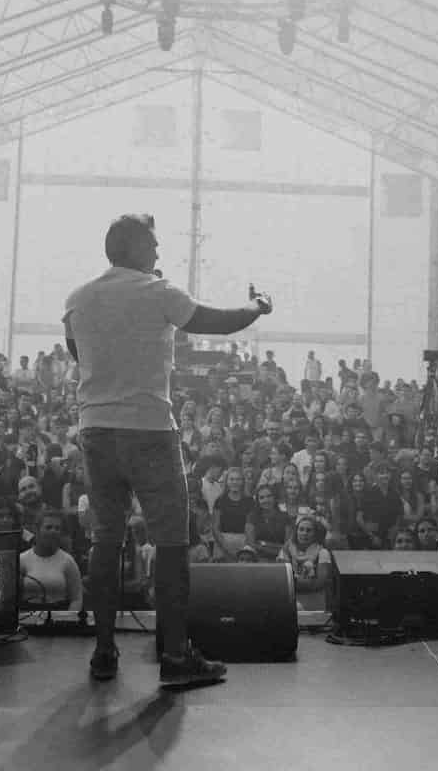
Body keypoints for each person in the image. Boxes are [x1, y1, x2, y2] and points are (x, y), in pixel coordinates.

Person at [63, 212, 271, 691]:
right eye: (153, 244)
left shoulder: (77, 299)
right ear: (134, 247)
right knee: (174, 543)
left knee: (106, 540)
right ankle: (176, 657)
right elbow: (217, 323)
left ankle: (103, 653)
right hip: (149, 428)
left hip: (95, 427)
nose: (158, 253)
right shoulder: (158, 291)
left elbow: (78, 354)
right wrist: (257, 306)